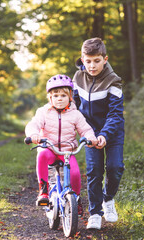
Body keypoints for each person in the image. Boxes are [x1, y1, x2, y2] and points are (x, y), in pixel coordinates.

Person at [25, 74, 98, 216]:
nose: (59, 99)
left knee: (75, 174)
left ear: (70, 97)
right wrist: (34, 134)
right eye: (56, 95)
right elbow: (33, 124)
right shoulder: (43, 112)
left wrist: (91, 138)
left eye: (63, 96)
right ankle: (44, 190)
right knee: (42, 155)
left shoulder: (75, 114)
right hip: (49, 149)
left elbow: (86, 129)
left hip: (67, 152)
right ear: (50, 97)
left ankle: (76, 200)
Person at [72, 37, 125, 230]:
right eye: (88, 61)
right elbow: (74, 107)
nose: (92, 66)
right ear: (83, 59)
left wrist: (104, 135)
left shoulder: (114, 81)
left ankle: (107, 199)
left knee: (115, 167)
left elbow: (115, 114)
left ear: (105, 59)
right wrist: (80, 131)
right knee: (94, 171)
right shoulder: (77, 79)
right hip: (89, 132)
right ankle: (95, 213)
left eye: (96, 61)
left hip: (112, 132)